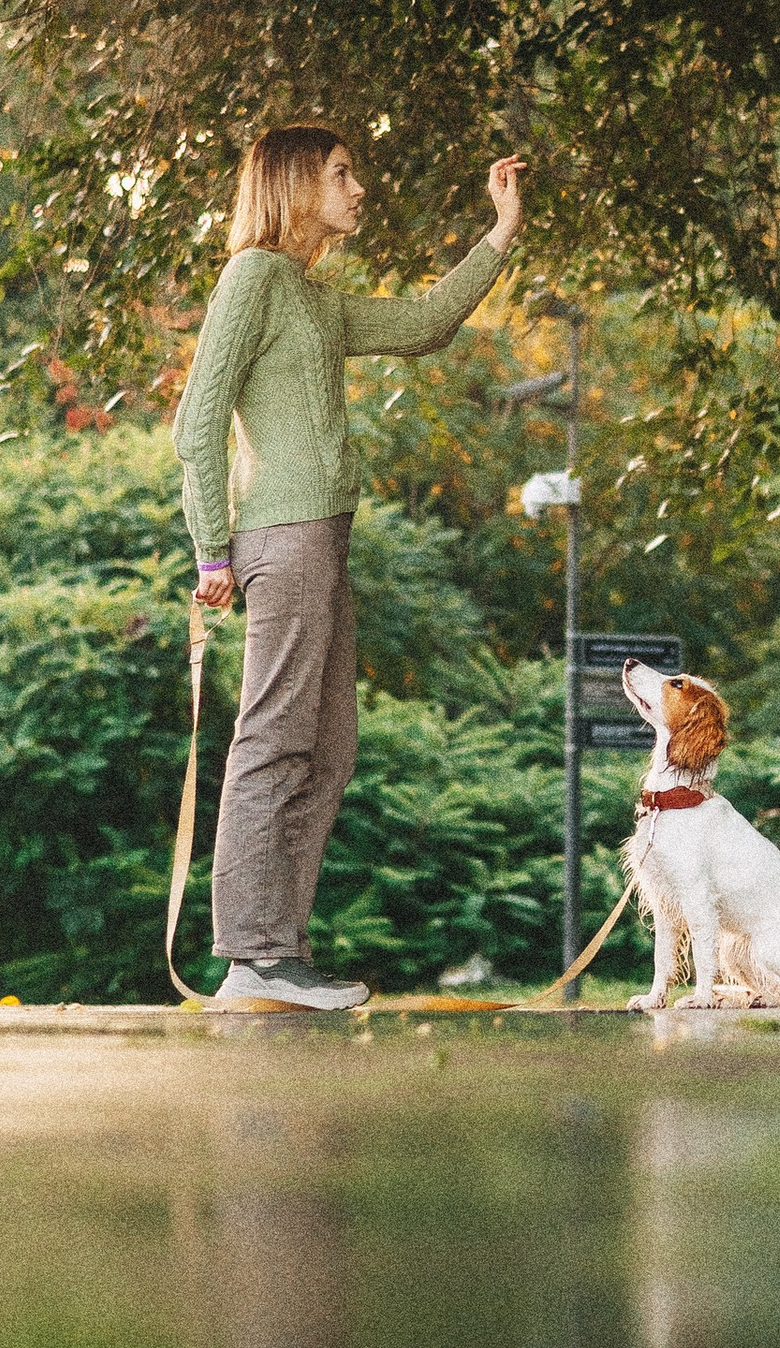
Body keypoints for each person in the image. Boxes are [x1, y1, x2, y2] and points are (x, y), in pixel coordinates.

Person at [173, 126, 528, 1009]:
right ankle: (251, 953)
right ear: (296, 184)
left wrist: (501, 232)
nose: (358, 187)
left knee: (328, 748)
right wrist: (210, 546)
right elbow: (197, 418)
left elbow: (423, 323)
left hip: (323, 537)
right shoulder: (253, 275)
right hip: (281, 537)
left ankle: (277, 956)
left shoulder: (312, 295)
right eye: (341, 173)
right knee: (275, 738)